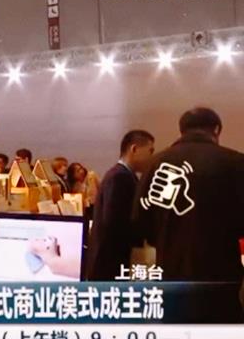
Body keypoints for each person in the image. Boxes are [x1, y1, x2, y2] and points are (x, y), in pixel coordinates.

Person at [133, 108, 244, 321]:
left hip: (170, 271)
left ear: (181, 130)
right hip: (221, 274)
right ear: (216, 130)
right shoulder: (236, 163)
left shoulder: (156, 164)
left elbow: (140, 223)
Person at [85, 130, 155, 281]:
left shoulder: (123, 175)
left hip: (109, 258)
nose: (152, 157)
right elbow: (113, 222)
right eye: (150, 151)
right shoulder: (120, 177)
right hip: (109, 260)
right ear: (134, 149)